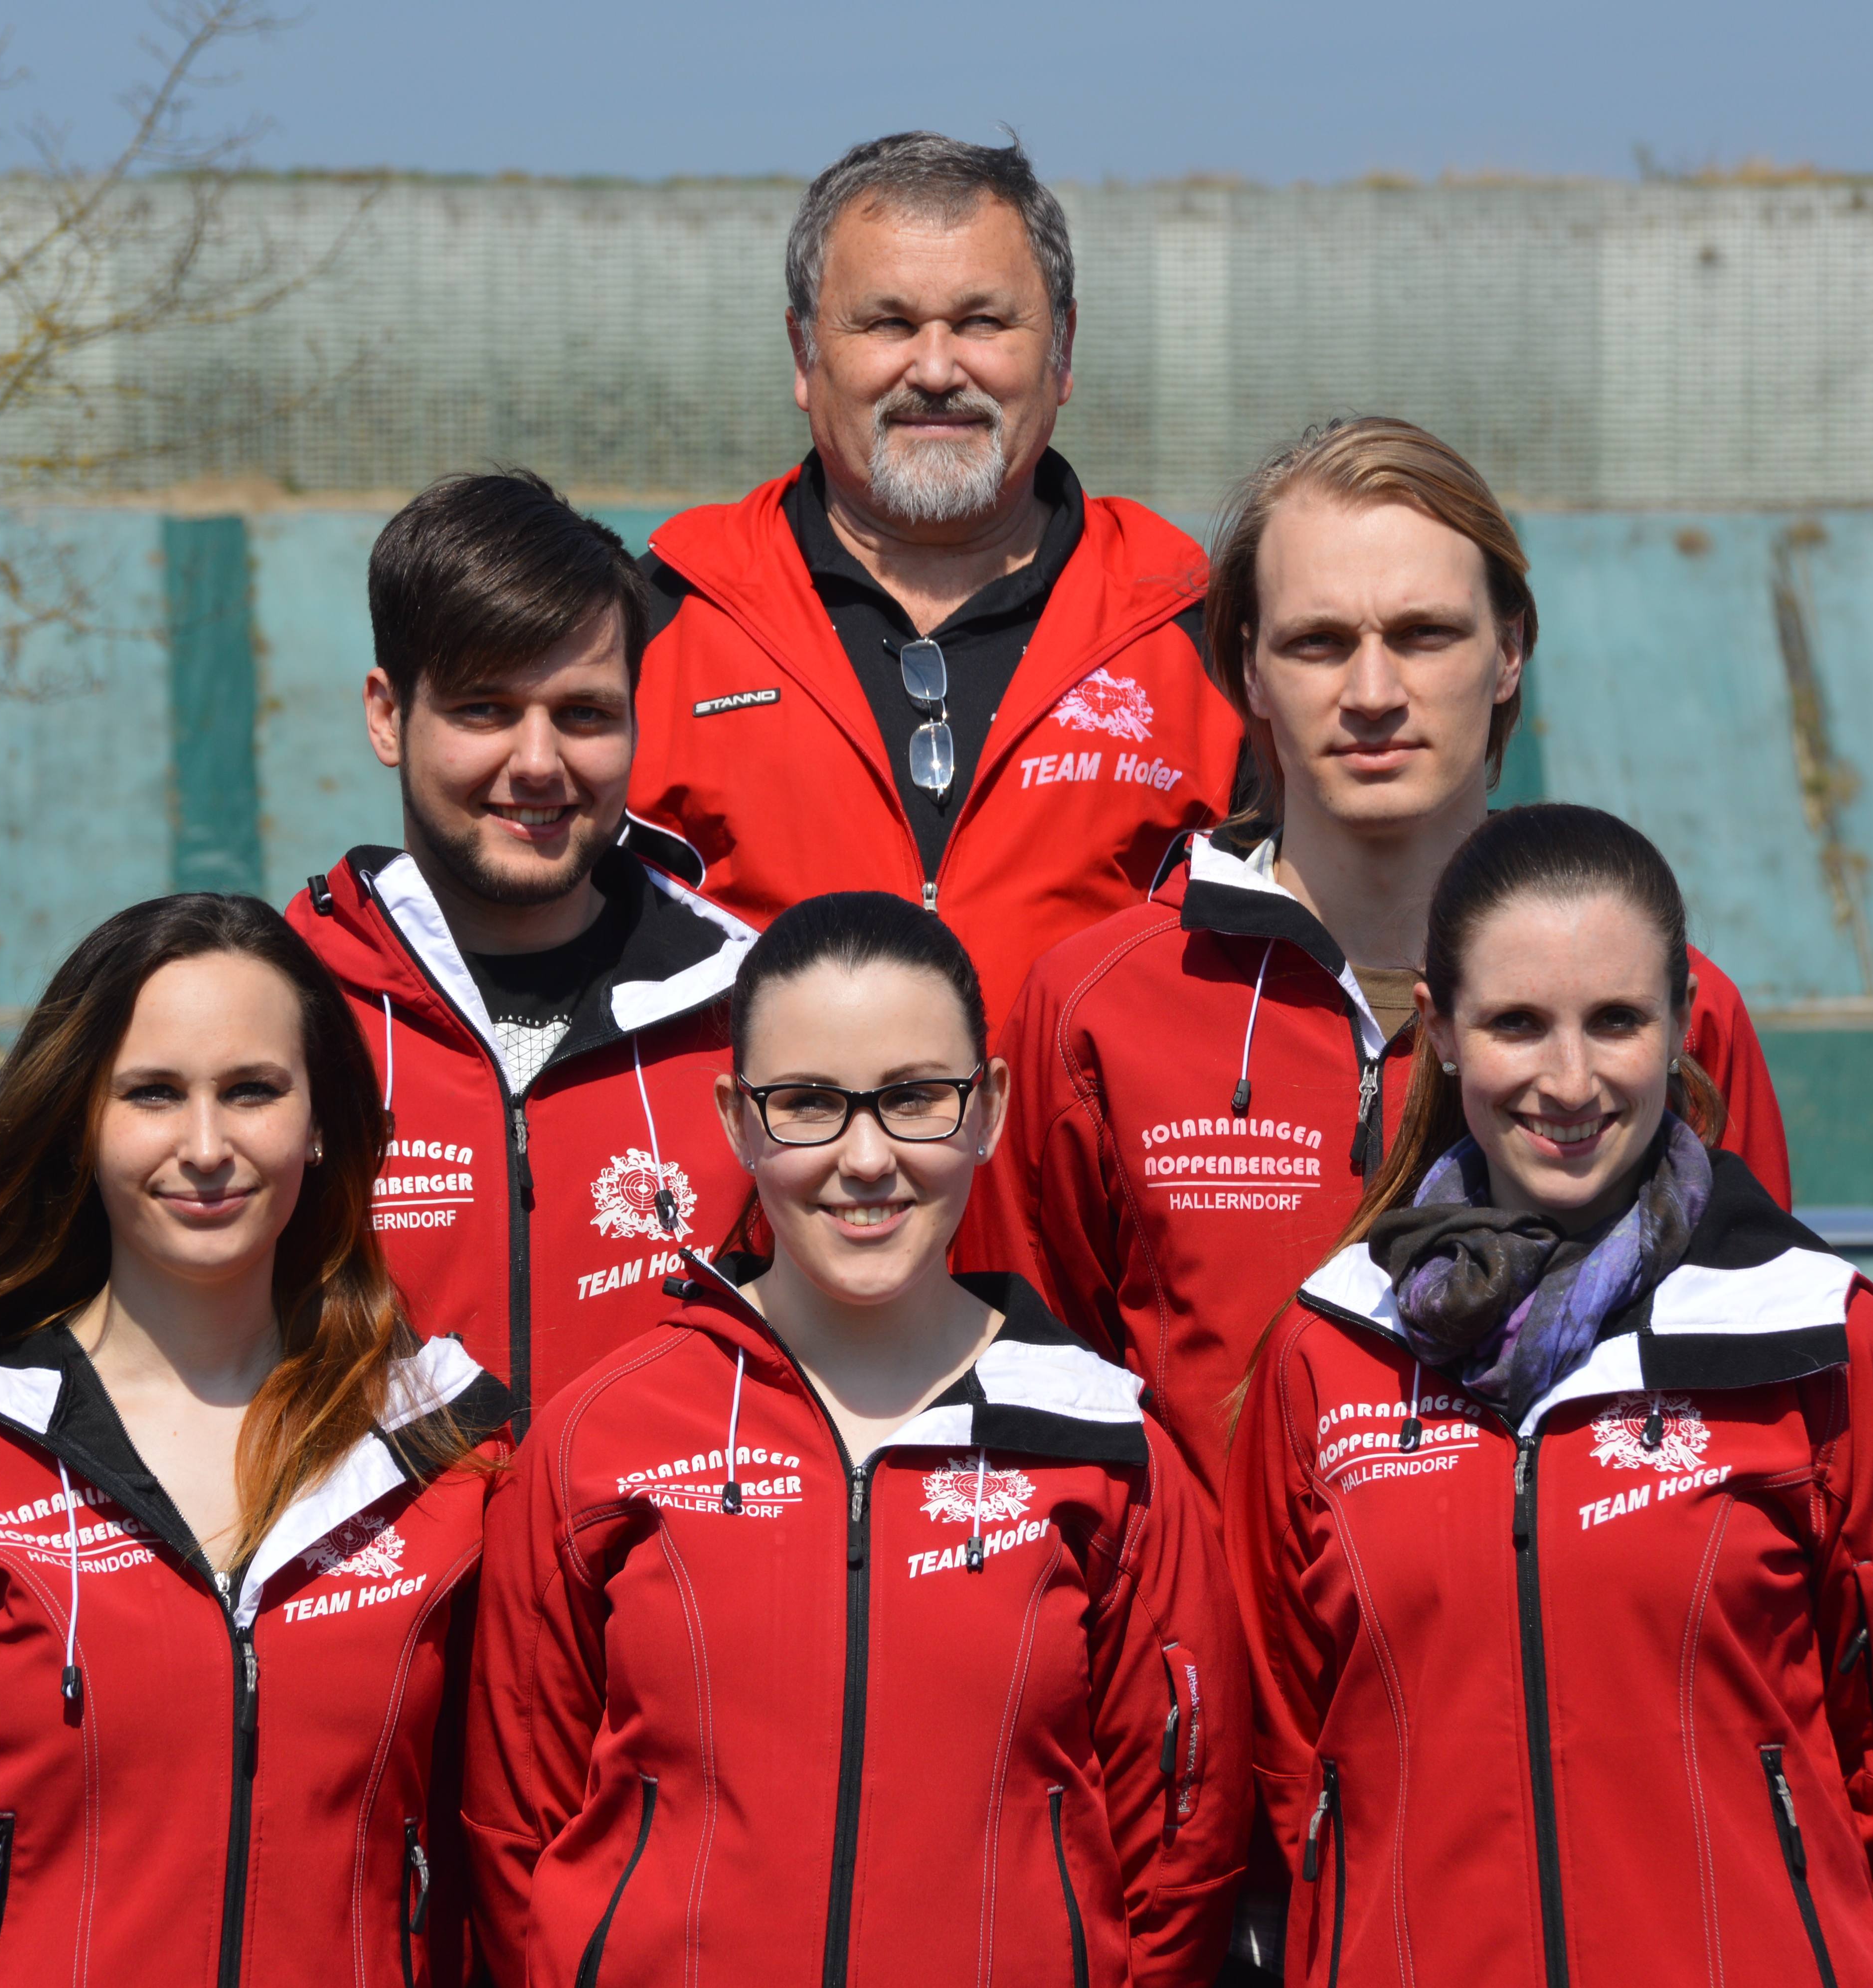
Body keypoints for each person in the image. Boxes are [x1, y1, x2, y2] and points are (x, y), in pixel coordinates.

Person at [958, 416, 1792, 1495]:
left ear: (1509, 651)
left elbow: (1759, 1403)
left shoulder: (1673, 1014)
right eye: (1317, 642)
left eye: (1422, 634)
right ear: (1246, 668)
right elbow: (1031, 1413)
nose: (1370, 692)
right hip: (1212, 1664)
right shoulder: (1092, 1011)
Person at [0, 895, 511, 1988]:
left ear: (322, 1120)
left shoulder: (450, 1456)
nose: (207, 1146)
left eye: (253, 1090)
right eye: (154, 1094)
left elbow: (515, 1837)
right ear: (81, 1118)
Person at [1228, 805, 1873, 1988]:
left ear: (1681, 1024)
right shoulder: (1328, 1347)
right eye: (1517, 1023)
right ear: (1443, 1030)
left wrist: (1780, 1940)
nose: (1568, 1081)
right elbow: (1291, 1754)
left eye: (1615, 1020)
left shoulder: (1822, 1342)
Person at [463, 894, 1250, 1988]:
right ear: (736, 1118)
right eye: (808, 1104)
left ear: (989, 1107)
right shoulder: (601, 1437)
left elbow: (1178, 1850)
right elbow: (516, 1830)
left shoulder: (1107, 1448)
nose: (866, 1157)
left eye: (915, 1097)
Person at [629, 131, 1246, 1021]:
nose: (935, 369)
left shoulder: (1202, 632)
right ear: (805, 354)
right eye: (887, 323)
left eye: (983, 322)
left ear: (1063, 349)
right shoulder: (658, 621)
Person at [290, 472, 757, 1417]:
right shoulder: (272, 1012)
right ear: (388, 716)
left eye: (583, 714)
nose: (538, 763)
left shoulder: (759, 1014)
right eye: (485, 711)